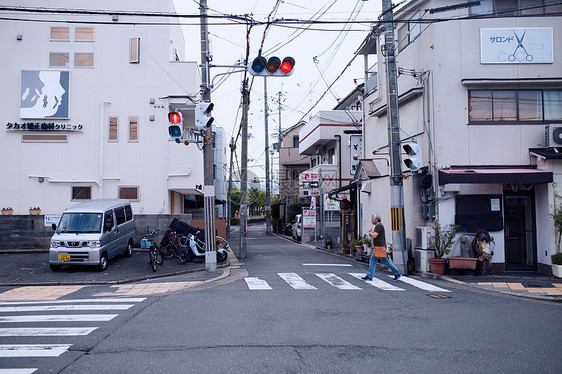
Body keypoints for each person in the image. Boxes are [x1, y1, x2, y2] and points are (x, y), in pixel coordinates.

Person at [362, 214, 402, 281]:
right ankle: (397, 273)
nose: (371, 220)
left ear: (376, 220)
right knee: (385, 261)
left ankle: (369, 276)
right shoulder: (378, 226)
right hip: (380, 246)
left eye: (372, 219)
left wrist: (370, 231)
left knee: (373, 261)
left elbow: (374, 235)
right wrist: (371, 233)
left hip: (379, 247)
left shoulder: (379, 226)